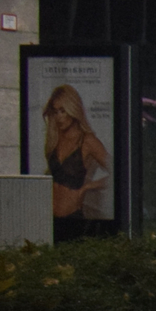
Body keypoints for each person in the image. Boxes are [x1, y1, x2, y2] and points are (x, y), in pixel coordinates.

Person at [41, 82, 113, 231]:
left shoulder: (87, 141)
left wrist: (87, 186)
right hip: (48, 218)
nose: (59, 117)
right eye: (55, 112)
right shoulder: (54, 139)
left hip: (73, 218)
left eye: (63, 111)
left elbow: (119, 172)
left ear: (72, 110)